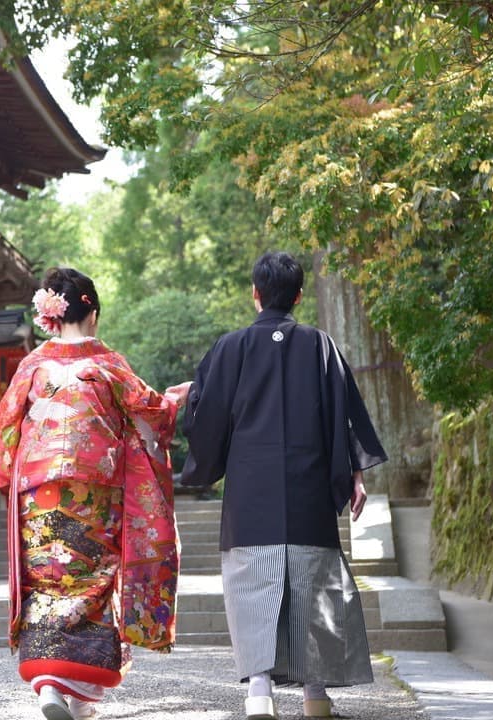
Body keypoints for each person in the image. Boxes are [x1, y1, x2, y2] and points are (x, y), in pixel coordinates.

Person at [167, 251, 387, 720]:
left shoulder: (230, 348)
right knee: (314, 584)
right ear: (299, 296)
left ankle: (260, 693)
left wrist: (193, 396)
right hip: (307, 486)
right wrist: (355, 473)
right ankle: (315, 695)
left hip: (251, 491)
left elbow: (206, 416)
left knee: (252, 586)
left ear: (255, 294)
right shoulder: (320, 345)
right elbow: (344, 414)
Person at [0, 267, 183, 720]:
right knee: (94, 585)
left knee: (45, 583)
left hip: (37, 496)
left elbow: (7, 431)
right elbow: (151, 413)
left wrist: (9, 482)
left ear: (53, 315)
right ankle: (77, 695)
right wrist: (181, 399)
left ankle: (48, 687)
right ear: (91, 313)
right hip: (96, 495)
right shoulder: (108, 365)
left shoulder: (32, 367)